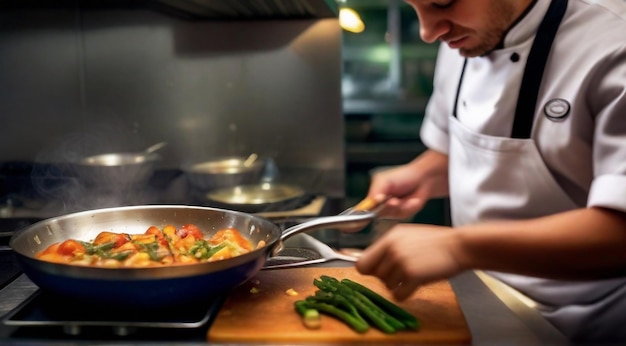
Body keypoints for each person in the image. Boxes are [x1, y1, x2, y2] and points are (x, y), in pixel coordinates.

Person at [351, 0, 626, 342]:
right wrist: (419, 176)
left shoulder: (616, 39)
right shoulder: (459, 38)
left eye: (442, 2)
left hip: (591, 321)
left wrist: (457, 248)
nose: (428, 32)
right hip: (482, 295)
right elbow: (457, 150)